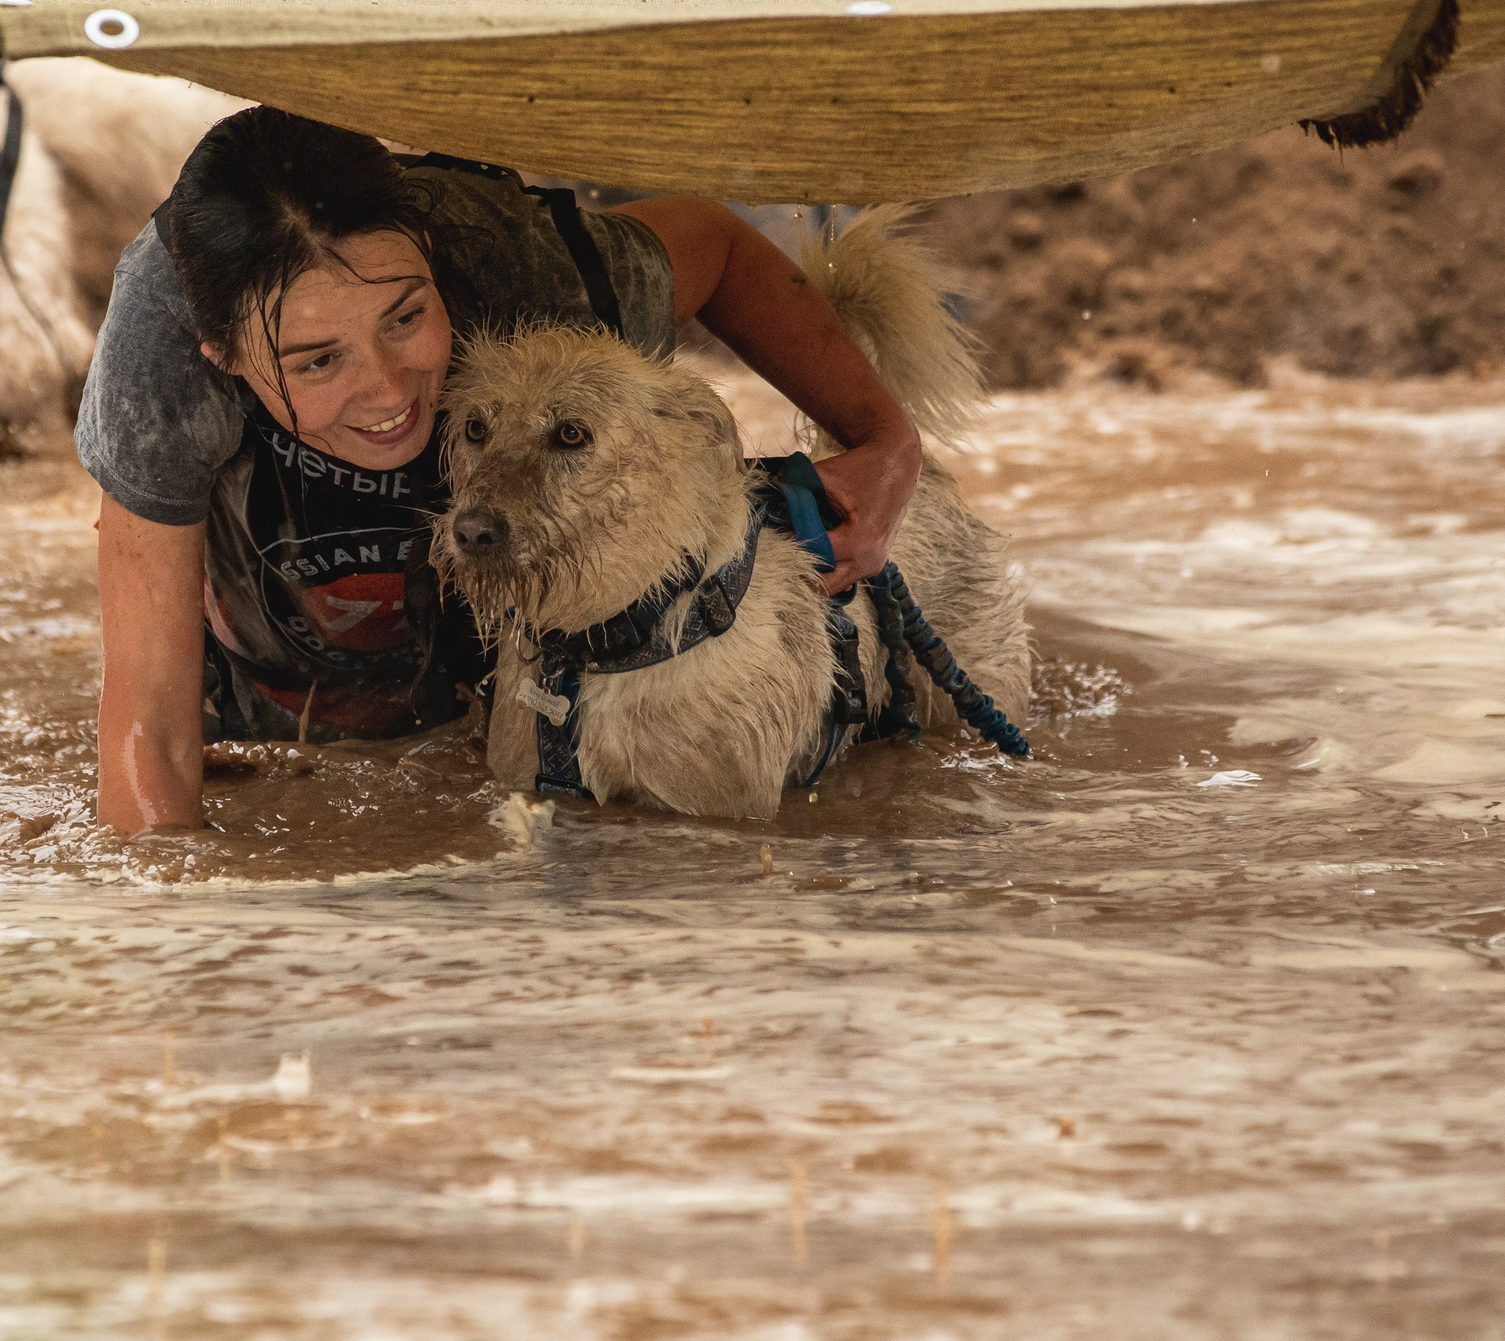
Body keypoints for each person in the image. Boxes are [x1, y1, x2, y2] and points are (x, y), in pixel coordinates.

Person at [81, 108, 927, 835]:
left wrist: (886, 439)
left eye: (405, 316)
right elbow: (150, 730)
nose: (386, 392)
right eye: (316, 362)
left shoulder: (537, 278)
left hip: (494, 667)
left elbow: (721, 249)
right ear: (224, 355)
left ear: (427, 247)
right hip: (277, 673)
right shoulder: (160, 367)